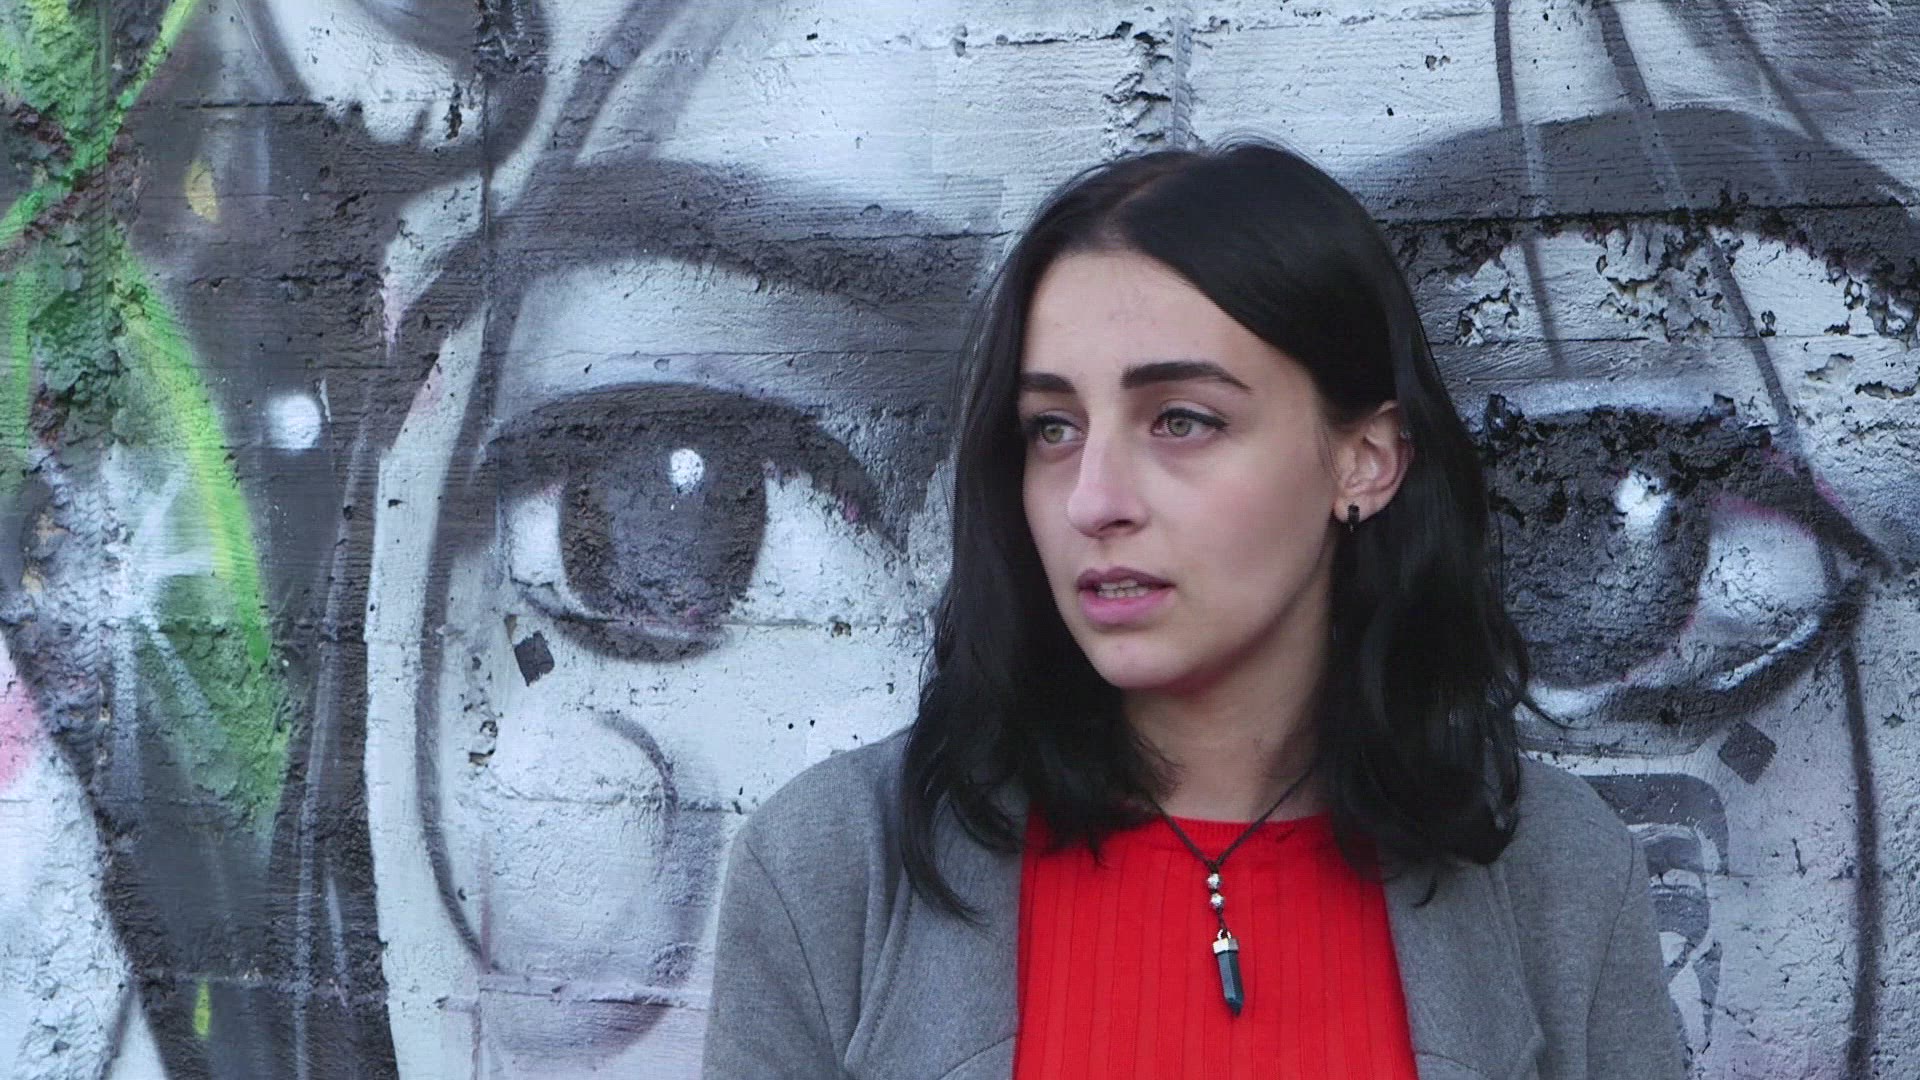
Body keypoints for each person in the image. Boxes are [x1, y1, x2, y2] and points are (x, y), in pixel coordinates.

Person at [698, 141, 1686, 1078]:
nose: (1094, 500)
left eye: (1181, 420)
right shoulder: (833, 868)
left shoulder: (1555, 873)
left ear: (1363, 460)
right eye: (1053, 429)